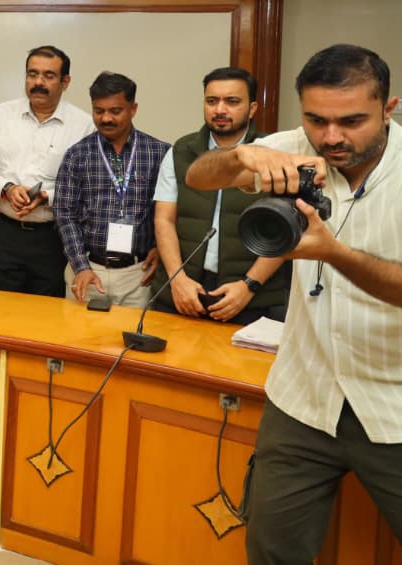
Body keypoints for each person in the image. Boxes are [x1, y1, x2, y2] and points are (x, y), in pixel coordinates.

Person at [185, 44, 402, 561]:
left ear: (388, 108)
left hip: (394, 406)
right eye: (316, 120)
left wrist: (334, 254)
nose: (331, 137)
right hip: (303, 399)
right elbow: (198, 176)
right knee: (271, 552)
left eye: (351, 121)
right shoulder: (293, 146)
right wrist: (240, 156)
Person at [151, 67, 289, 324]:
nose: (220, 110)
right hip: (182, 291)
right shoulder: (181, 151)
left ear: (252, 108)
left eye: (232, 101)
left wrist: (249, 286)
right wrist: (177, 279)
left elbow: (287, 234)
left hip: (251, 297)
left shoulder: (276, 153)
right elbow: (164, 219)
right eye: (212, 101)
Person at [0, 45, 94, 297]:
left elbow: (86, 186)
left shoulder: (83, 125)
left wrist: (46, 197)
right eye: (32, 74)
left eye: (48, 76)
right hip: (3, 233)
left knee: (46, 311)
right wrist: (7, 189)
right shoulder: (1, 115)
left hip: (53, 237)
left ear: (65, 82)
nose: (38, 82)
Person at [54, 71, 169, 307]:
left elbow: (170, 211)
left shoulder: (160, 153)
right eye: (99, 111)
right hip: (88, 269)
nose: (106, 118)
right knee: (80, 331)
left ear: (133, 109)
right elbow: (65, 214)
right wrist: (81, 266)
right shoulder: (77, 155)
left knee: (134, 331)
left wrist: (161, 248)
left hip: (139, 273)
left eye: (115, 111)